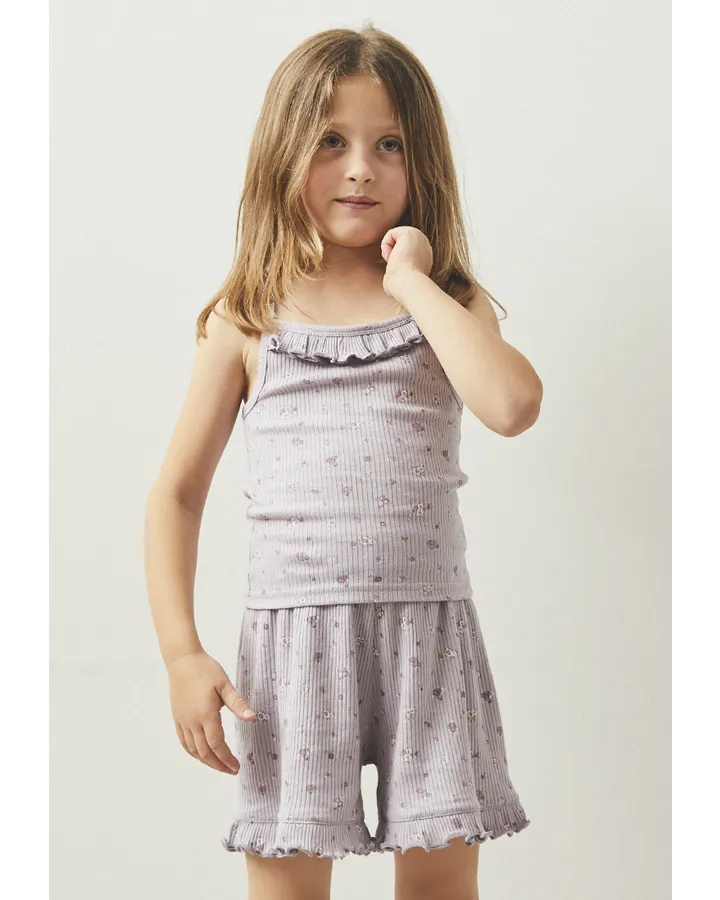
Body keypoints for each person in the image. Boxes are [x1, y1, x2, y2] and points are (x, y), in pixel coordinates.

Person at [144, 23, 542, 900]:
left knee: (440, 884)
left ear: (421, 161)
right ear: (282, 150)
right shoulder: (248, 316)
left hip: (428, 640)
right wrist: (181, 654)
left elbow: (513, 406)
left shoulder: (446, 303)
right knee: (287, 885)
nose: (361, 168)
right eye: (331, 141)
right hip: (293, 651)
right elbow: (176, 494)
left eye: (388, 144)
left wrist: (413, 283)